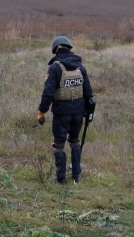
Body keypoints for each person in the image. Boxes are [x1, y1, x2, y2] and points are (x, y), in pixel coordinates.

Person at [37, 36, 95, 184]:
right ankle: (76, 175)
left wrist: (41, 112)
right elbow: (88, 93)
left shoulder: (55, 68)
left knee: (59, 144)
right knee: (75, 141)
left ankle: (60, 178)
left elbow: (48, 93)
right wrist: (89, 113)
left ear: (56, 49)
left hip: (61, 113)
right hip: (78, 113)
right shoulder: (80, 67)